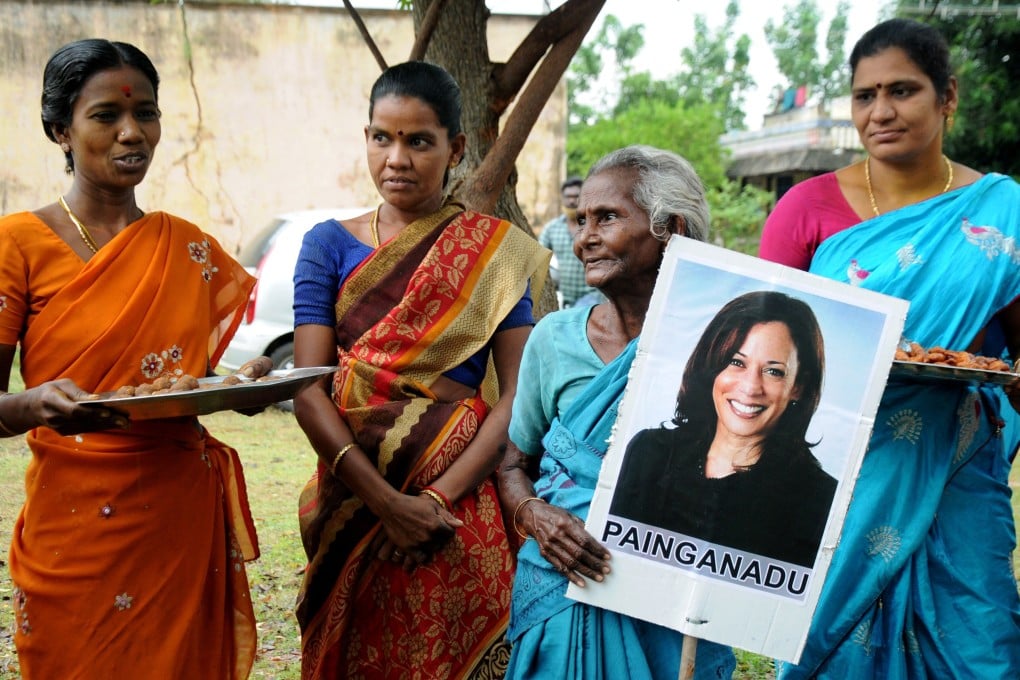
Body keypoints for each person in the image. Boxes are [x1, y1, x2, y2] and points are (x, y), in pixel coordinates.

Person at [759, 18, 1020, 678]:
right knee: (834, 642)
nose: (880, 112)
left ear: (947, 96)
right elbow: (767, 340)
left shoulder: (1002, 211)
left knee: (980, 644)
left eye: (902, 90)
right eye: (864, 95)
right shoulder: (806, 208)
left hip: (958, 462)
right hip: (837, 462)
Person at [0, 39, 266, 678]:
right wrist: (33, 404)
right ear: (61, 131)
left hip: (178, 522)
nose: (132, 132)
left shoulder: (188, 248)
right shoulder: (17, 245)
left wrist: (239, 385)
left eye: (146, 114)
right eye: (106, 116)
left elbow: (175, 378)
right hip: (75, 532)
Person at [291, 60, 548, 679]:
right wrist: (386, 503)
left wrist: (434, 500)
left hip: (455, 509)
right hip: (355, 497)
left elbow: (518, 395)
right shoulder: (327, 244)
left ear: (455, 148)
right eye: (383, 138)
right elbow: (306, 388)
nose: (397, 159)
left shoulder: (494, 253)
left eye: (419, 141)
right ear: (367, 138)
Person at [497, 145, 735, 679]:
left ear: (670, 229)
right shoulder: (553, 340)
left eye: (607, 218)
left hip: (674, 597)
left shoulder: (722, 350)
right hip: (563, 587)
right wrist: (535, 516)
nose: (584, 238)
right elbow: (512, 463)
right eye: (582, 220)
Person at [610, 290, 836, 568]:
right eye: (736, 362)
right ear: (711, 367)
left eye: (774, 371)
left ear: (798, 386)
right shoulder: (649, 452)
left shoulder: (820, 498)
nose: (751, 387)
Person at [540, 176, 599, 308]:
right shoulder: (552, 228)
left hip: (592, 294)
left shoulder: (596, 227)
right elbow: (538, 259)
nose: (571, 201)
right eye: (568, 197)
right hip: (566, 299)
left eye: (576, 196)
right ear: (562, 198)